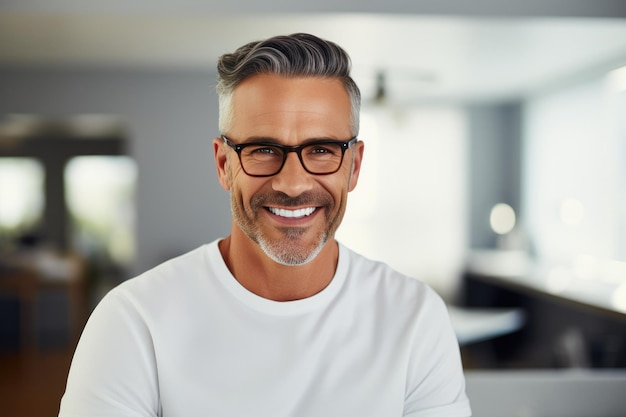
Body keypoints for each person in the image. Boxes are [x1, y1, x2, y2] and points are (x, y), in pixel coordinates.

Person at [59, 33, 471, 417]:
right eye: (263, 149)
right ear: (224, 164)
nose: (292, 184)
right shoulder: (133, 322)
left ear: (354, 166)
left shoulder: (415, 318)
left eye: (322, 149)